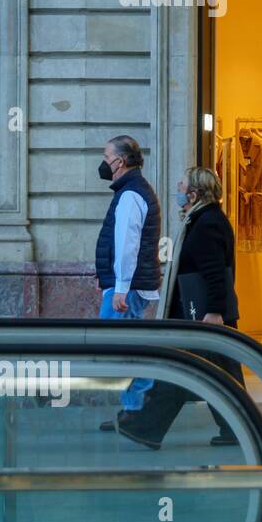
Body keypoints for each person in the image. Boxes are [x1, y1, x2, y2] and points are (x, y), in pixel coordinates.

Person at [115, 167, 247, 450]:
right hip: (202, 314)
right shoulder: (201, 219)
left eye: (181, 185)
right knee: (221, 374)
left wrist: (213, 312)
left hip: (201, 316)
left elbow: (214, 272)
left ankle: (144, 427)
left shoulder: (207, 223)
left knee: (181, 371)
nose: (177, 190)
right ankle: (237, 427)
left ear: (194, 193)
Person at [94, 136, 161, 421]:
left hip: (127, 289)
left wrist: (120, 287)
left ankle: (139, 405)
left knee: (117, 350)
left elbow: (126, 244)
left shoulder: (131, 194)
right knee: (126, 348)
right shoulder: (133, 190)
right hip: (129, 286)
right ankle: (134, 407)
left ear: (119, 162)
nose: (103, 163)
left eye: (106, 157)